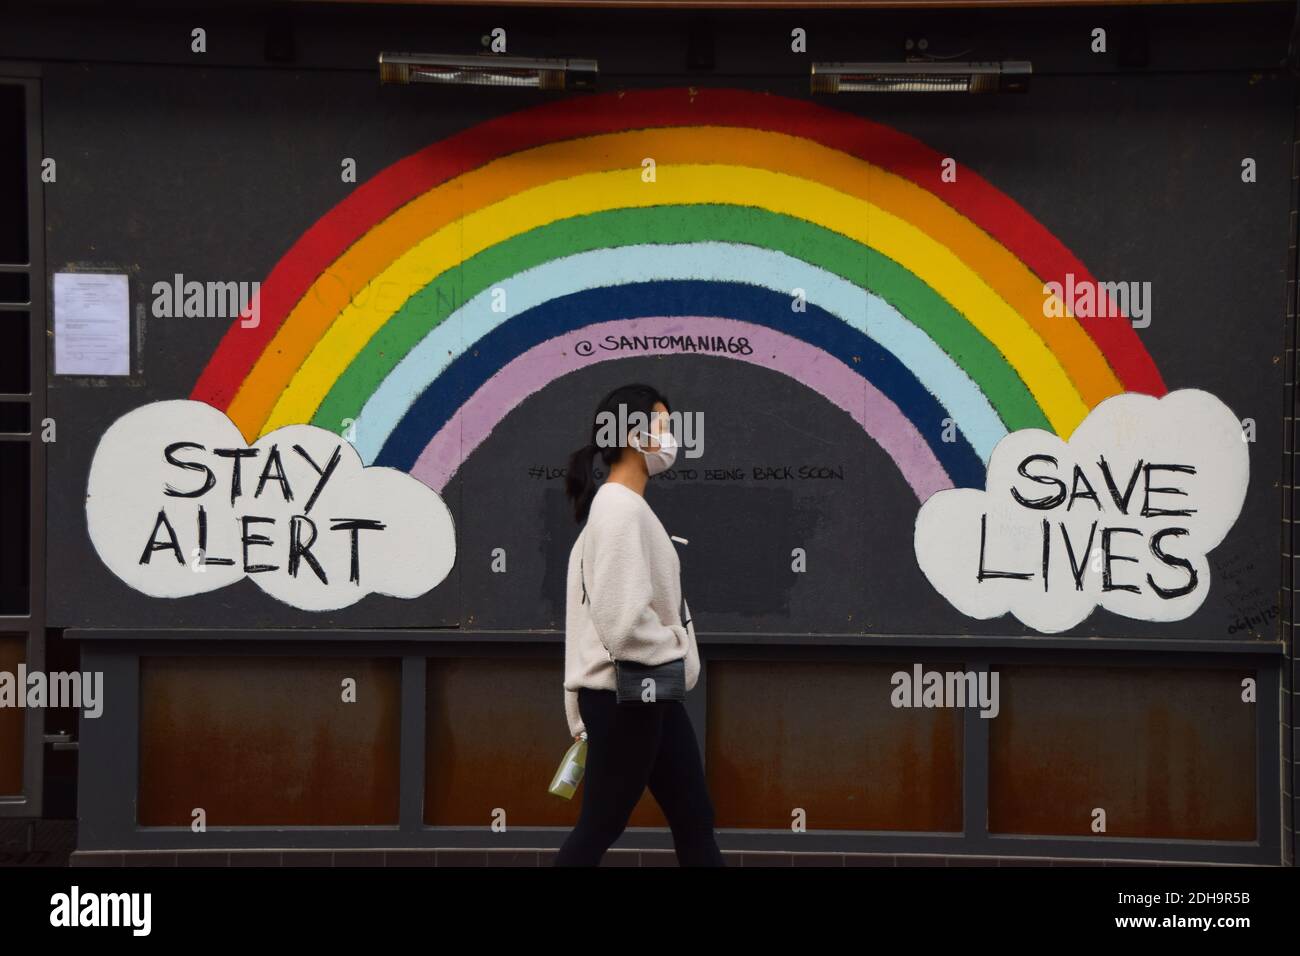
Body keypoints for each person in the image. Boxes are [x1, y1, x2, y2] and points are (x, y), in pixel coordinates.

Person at [553, 383, 726, 867]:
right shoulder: (619, 510)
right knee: (602, 824)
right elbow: (622, 622)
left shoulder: (619, 509)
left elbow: (592, 620)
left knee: (694, 816)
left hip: (647, 690)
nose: (672, 439)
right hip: (627, 693)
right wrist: (675, 644)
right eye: (663, 426)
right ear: (632, 434)